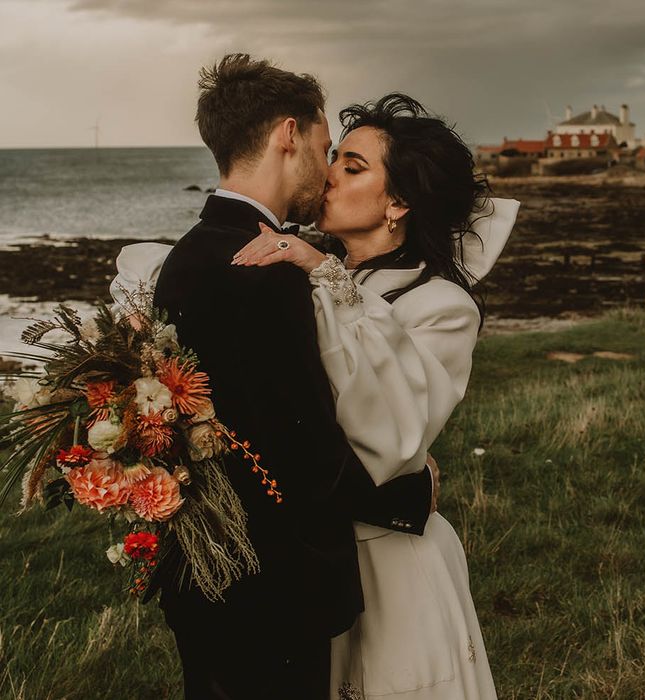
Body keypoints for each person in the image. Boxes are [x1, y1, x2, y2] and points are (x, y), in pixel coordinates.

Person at [116, 90, 520, 699]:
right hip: (301, 559)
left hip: (387, 563)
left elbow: (394, 431)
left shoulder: (442, 306)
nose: (329, 175)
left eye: (352, 167)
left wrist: (320, 272)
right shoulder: (290, 271)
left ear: (399, 202)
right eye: (334, 158)